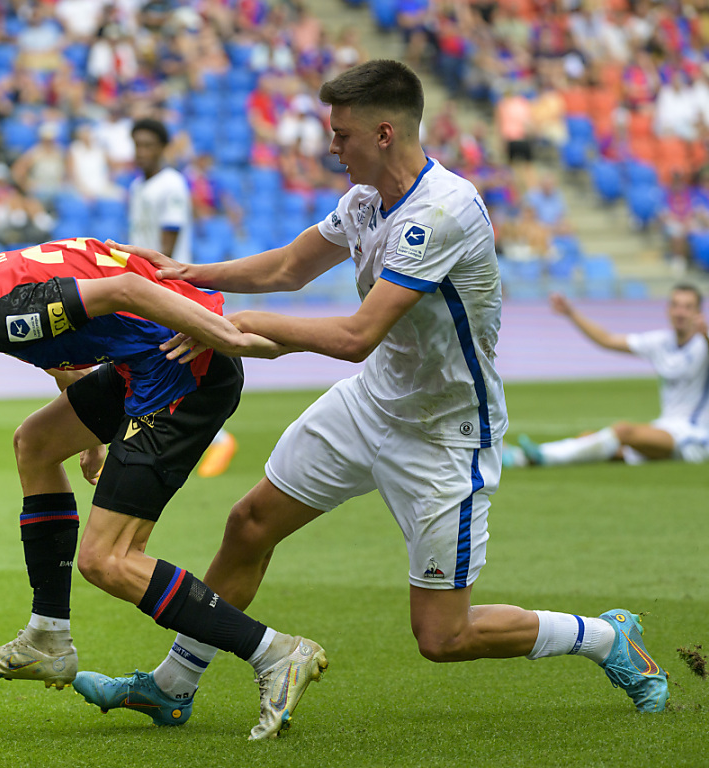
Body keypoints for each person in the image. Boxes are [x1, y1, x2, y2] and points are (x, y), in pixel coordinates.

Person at [75, 60, 669, 731]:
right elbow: (288, 266)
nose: (331, 147)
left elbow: (358, 334)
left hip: (445, 435)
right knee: (249, 525)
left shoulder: (442, 213)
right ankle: (173, 684)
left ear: (384, 133)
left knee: (442, 637)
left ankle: (604, 638)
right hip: (371, 403)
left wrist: (249, 326)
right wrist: (190, 273)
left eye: (342, 135)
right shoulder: (363, 201)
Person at [0, 239, 327, 741]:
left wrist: (224, 335)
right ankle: (48, 637)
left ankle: (276, 652)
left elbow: (127, 289)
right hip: (144, 366)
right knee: (37, 443)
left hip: (182, 374)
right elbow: (57, 336)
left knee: (106, 560)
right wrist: (88, 439)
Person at [129, 117, 237, 478]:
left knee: (167, 360)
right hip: (144, 284)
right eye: (137, 144)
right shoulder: (137, 187)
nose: (141, 152)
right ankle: (210, 437)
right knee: (160, 362)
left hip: (166, 285)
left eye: (148, 145)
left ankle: (217, 437)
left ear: (162, 148)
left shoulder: (171, 184)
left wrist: (157, 284)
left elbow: (168, 239)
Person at [504, 287, 708, 467]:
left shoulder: (703, 344)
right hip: (663, 428)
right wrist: (570, 313)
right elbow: (607, 339)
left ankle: (540, 456)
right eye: (675, 305)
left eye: (687, 307)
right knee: (588, 439)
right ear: (668, 309)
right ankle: (525, 457)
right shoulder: (661, 341)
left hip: (694, 437)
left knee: (624, 431)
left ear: (698, 312)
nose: (680, 312)